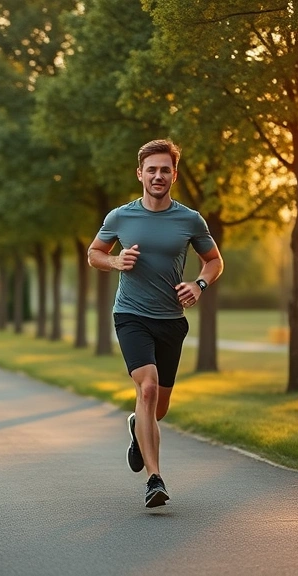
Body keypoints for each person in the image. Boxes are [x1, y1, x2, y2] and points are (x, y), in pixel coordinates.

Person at [87, 139, 223, 508]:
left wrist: (198, 284)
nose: (158, 175)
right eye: (152, 169)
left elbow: (213, 261)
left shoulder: (190, 219)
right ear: (140, 174)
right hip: (131, 315)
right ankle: (155, 480)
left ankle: (138, 426)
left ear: (174, 175)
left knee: (157, 409)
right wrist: (116, 262)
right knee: (146, 388)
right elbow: (94, 254)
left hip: (171, 321)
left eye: (165, 169)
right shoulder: (120, 217)